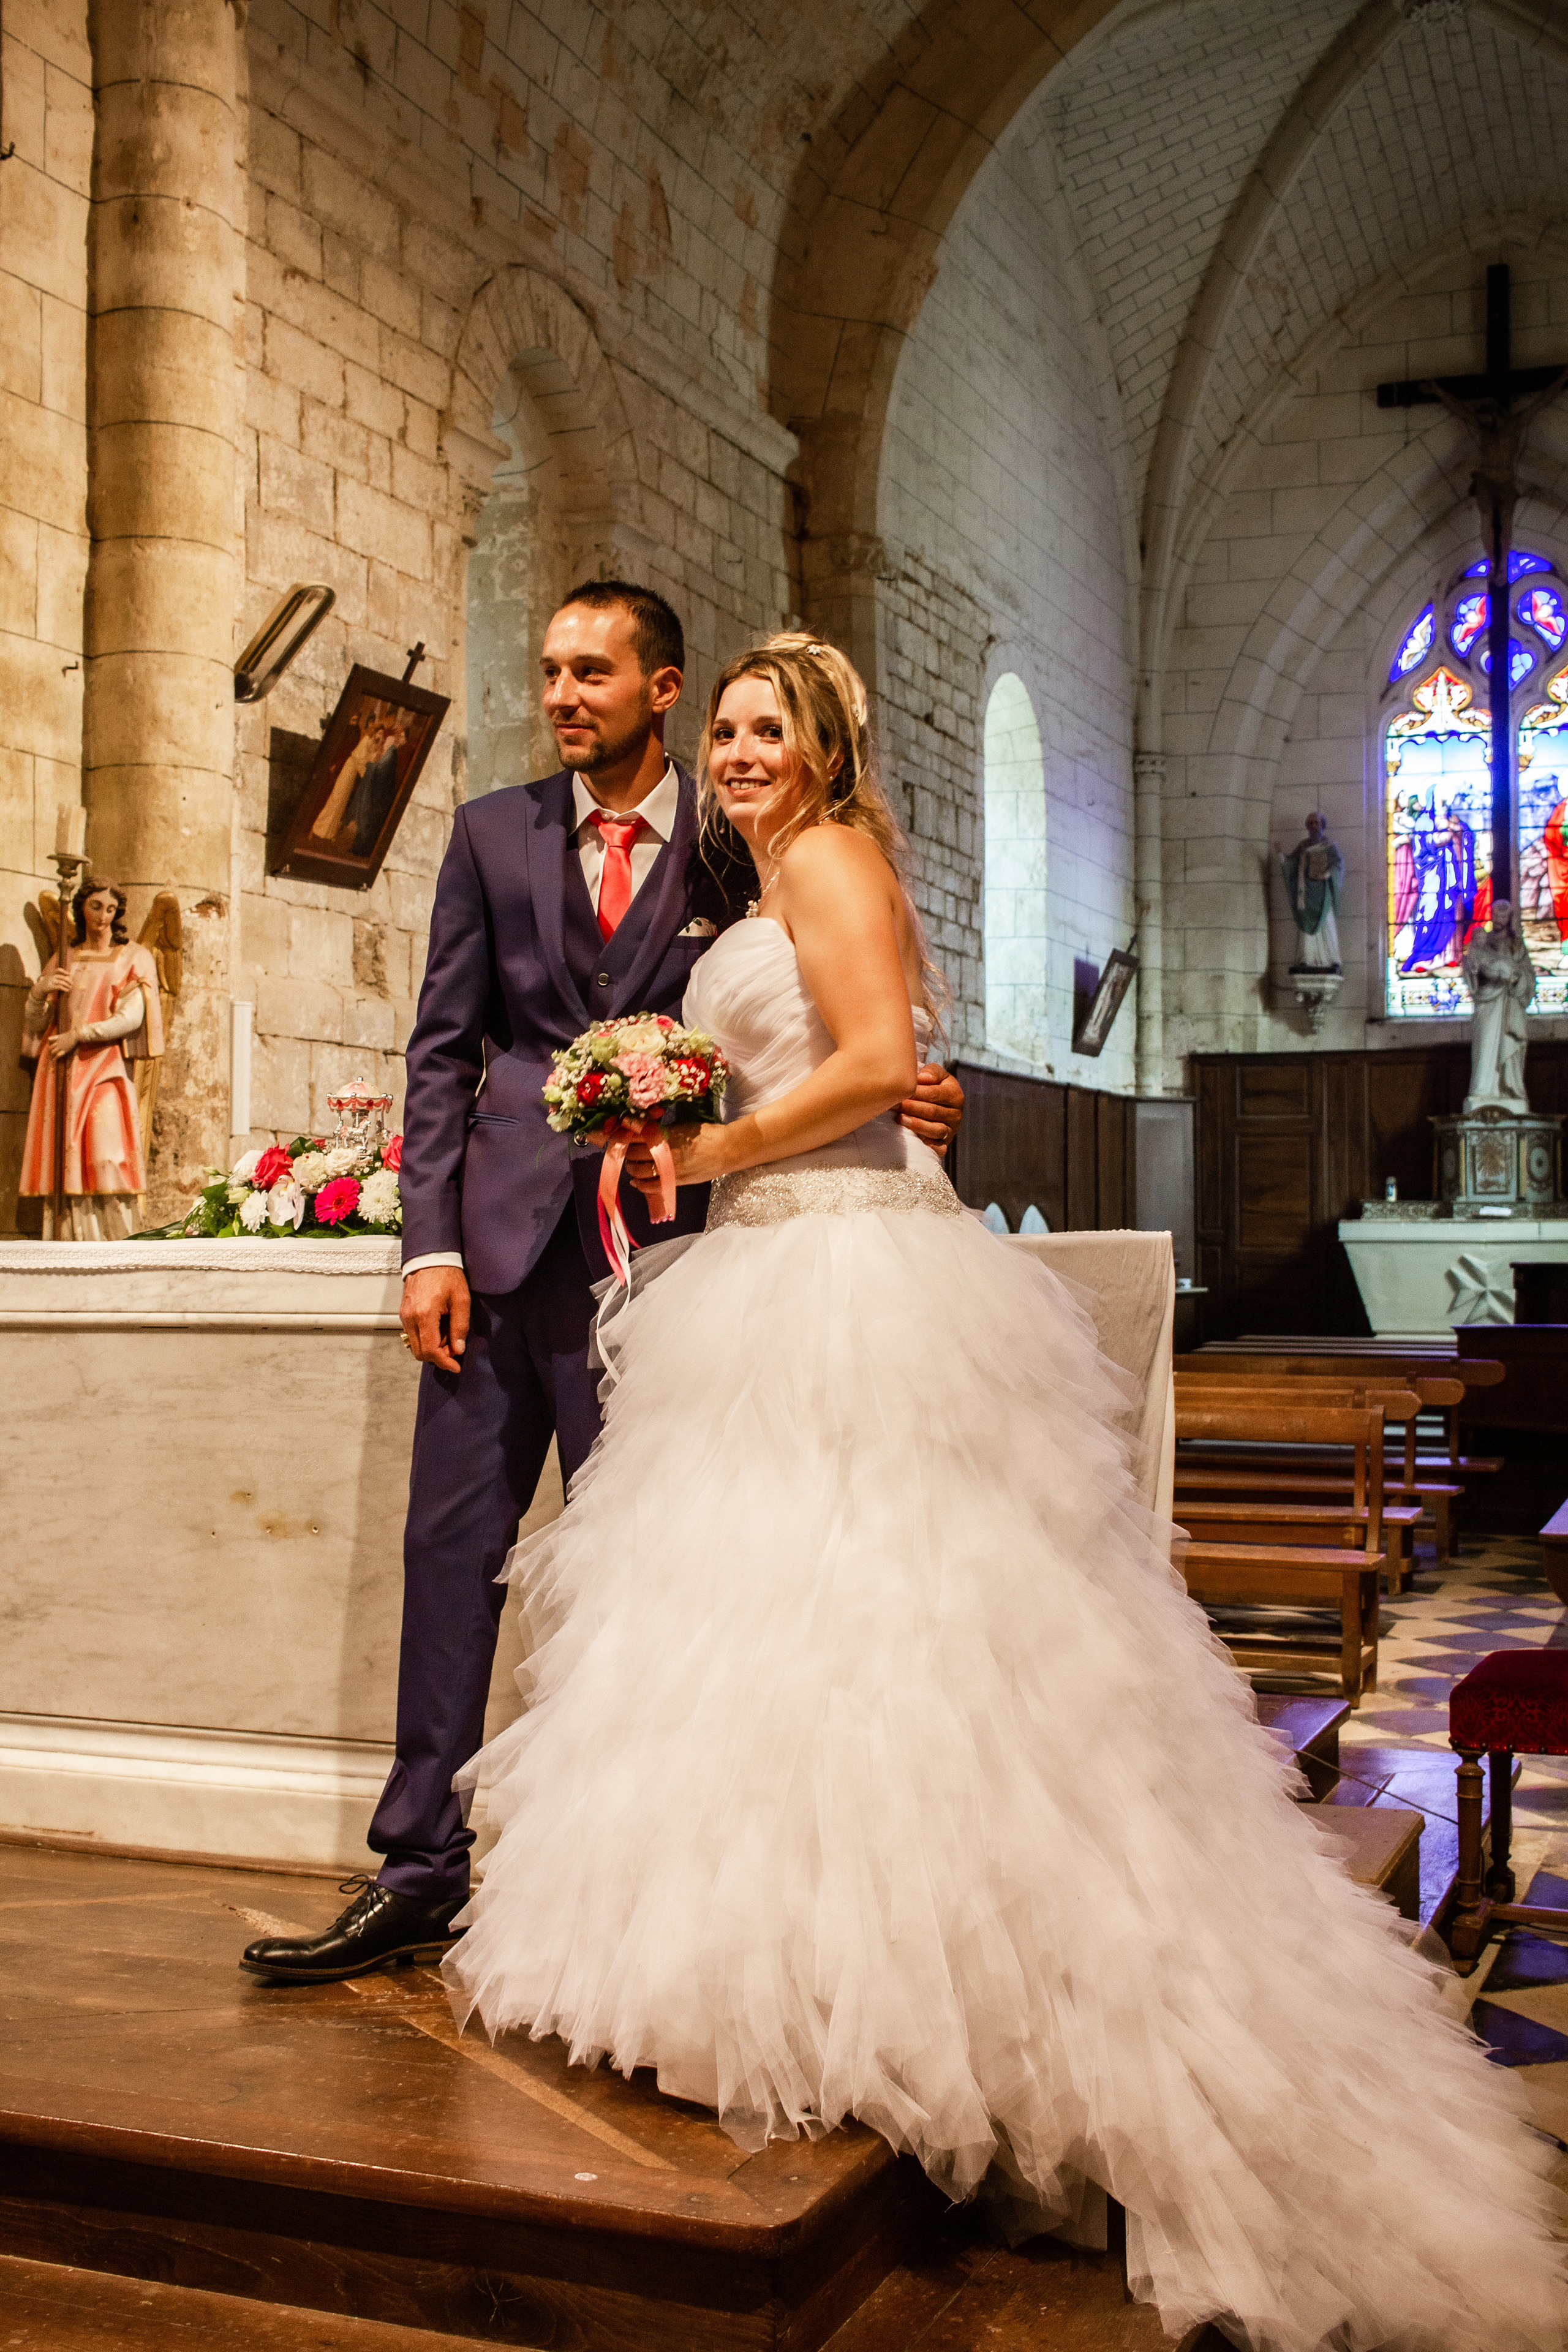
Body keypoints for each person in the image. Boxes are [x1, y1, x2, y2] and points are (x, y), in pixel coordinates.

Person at [444, 633, 1562, 2352]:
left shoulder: (826, 856)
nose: (742, 754)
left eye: (770, 729)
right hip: (775, 1267)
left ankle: (925, 1998)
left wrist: (709, 1146)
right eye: (727, 730)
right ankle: (808, 1980)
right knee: (775, 1640)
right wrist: (673, 1107)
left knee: (898, 1634)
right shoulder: (763, 879)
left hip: (842, 1279)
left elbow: (884, 1061)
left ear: (826, 748)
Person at [241, 586, 962, 1984]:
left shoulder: (735, 839)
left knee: (660, 1588)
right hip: (496, 1266)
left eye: (594, 671)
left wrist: (920, 1097)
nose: (565, 691)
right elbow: (442, 1047)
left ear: (660, 687)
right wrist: (429, 1244)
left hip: (683, 1267)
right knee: (452, 1552)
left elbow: (842, 1019)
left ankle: (601, 1880)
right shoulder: (489, 834)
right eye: (553, 669)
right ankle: (417, 1864)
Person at [20, 876, 164, 1239]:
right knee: (64, 1159)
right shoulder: (64, 958)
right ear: (81, 908)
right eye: (95, 906)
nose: (102, 916)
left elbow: (131, 1019)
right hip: (61, 1068)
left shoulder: (133, 957)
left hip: (105, 1070)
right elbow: (37, 1022)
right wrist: (39, 993)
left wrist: (78, 1035)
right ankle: (69, 1243)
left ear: (118, 914)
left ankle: (115, 1243)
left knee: (105, 1156)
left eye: (110, 909)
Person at [1462, 899, 1536, 1111]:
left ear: (1509, 919)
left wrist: (1516, 978)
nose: (1499, 919)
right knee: (1485, 1046)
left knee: (1510, 1045)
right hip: (1488, 1003)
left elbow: (1528, 975)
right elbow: (1470, 970)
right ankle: (1483, 1090)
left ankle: (1509, 1087)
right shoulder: (1482, 942)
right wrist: (1476, 969)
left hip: (1511, 1002)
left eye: (1504, 916)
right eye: (1496, 914)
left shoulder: (1517, 946)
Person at [1274, 812, 1343, 971]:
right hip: (1306, 892)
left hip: (1323, 893)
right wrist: (1281, 856)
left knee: (1326, 923)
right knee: (1306, 924)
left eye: (1316, 823)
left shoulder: (1329, 846)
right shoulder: (1303, 846)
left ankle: (1332, 959)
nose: (1313, 826)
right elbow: (1291, 864)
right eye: (1310, 823)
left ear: (1322, 825)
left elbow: (1338, 865)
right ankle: (1307, 958)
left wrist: (1327, 874)